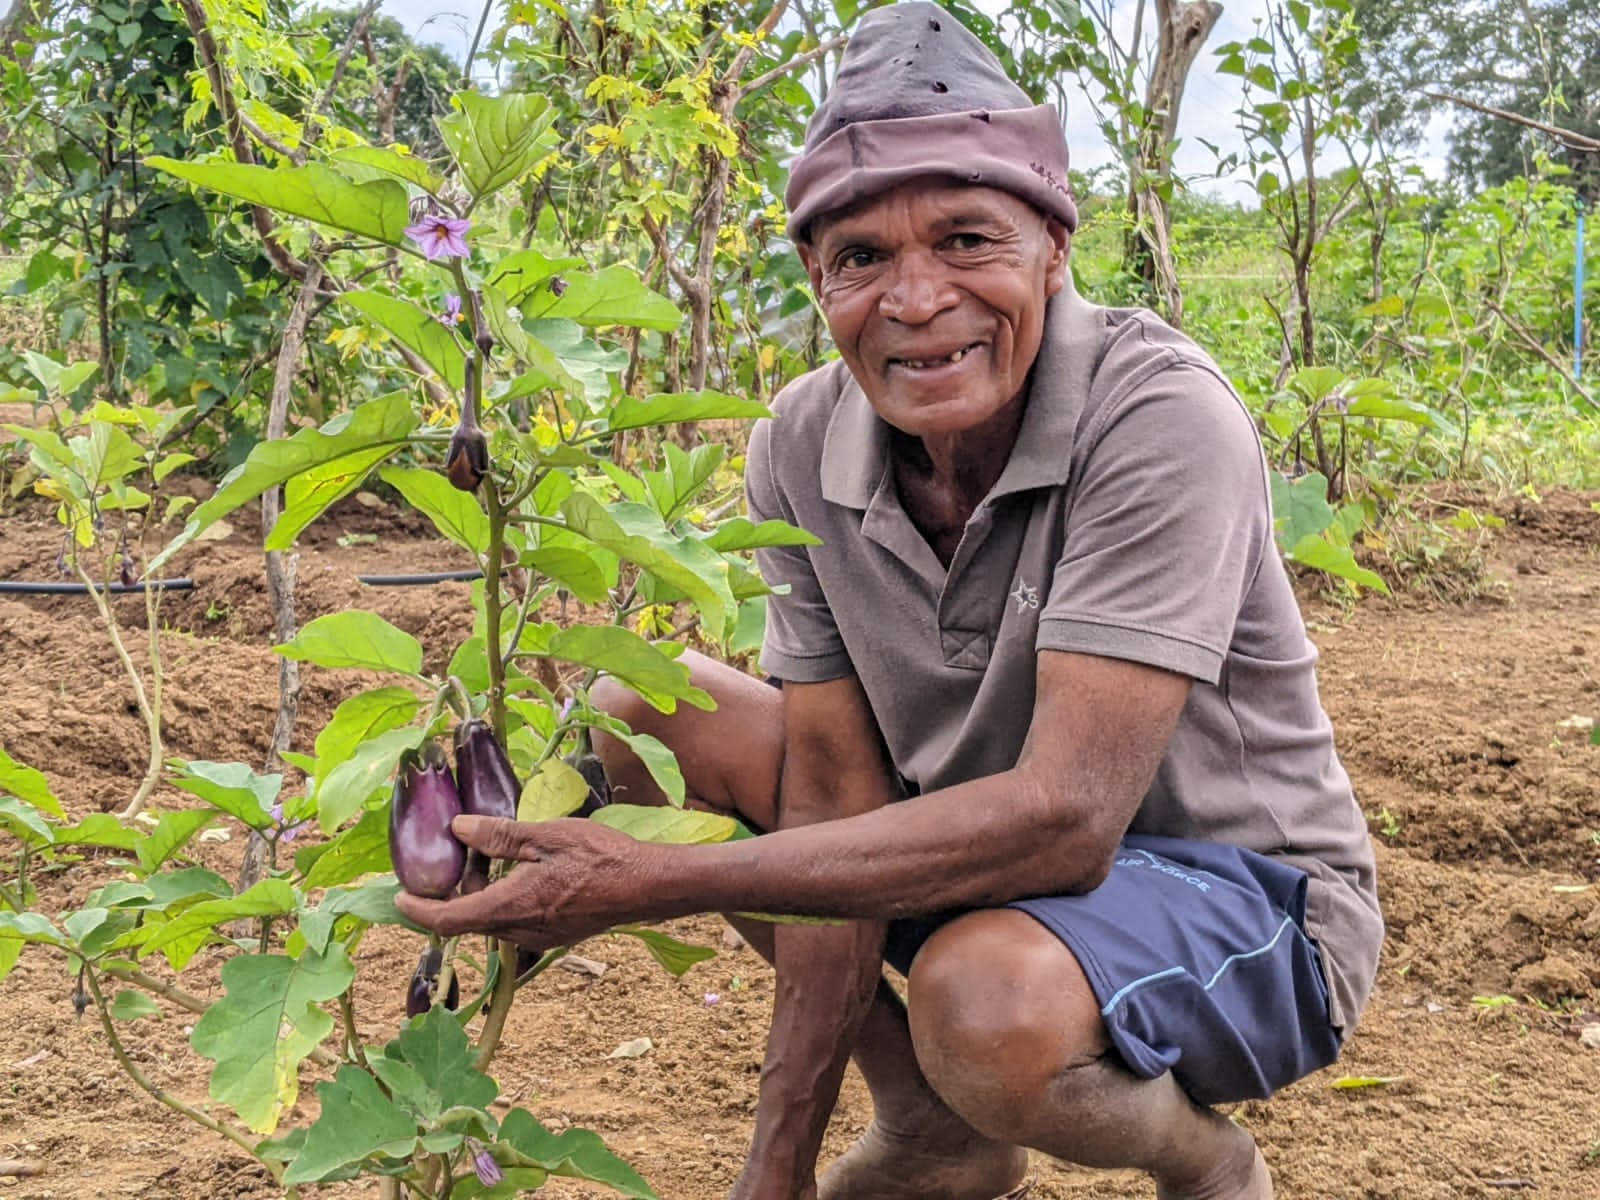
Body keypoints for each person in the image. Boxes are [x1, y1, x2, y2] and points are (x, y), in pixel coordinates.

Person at [397, 4, 1384, 1198]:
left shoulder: (1156, 414)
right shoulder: (802, 440)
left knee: (984, 1001)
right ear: (817, 278)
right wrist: (776, 1168)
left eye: (967, 240)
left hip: (1244, 910)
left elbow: (1067, 819)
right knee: (650, 709)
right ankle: (931, 1129)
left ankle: (1205, 1161)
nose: (915, 302)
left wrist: (658, 877)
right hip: (982, 868)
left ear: (1053, 248)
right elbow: (827, 793)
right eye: (860, 258)